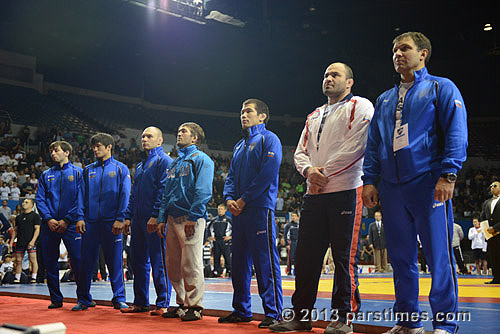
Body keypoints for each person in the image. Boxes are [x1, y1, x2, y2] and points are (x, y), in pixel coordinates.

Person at [361, 32, 468, 334]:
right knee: (400, 258)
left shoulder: (440, 87)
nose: (397, 53)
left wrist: (448, 174)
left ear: (423, 54)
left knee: (438, 257)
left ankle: (445, 324)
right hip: (391, 188)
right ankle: (408, 323)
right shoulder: (384, 99)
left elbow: (457, 132)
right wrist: (370, 180)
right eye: (394, 49)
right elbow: (374, 144)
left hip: (427, 181)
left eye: (405, 48)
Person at [270, 62, 374, 334]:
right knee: (306, 257)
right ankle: (301, 316)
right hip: (314, 194)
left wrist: (321, 173)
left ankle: (343, 317)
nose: (328, 78)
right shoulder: (314, 114)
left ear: (349, 82)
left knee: (343, 258)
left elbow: (357, 146)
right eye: (326, 74)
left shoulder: (361, 106)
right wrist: (308, 171)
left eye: (335, 74)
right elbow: (299, 151)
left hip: (346, 190)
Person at [220, 99, 283, 329]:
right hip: (238, 211)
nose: (243, 115)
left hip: (258, 209)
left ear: (262, 116)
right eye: (241, 111)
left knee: (265, 261)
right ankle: (241, 309)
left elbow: (267, 174)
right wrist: (228, 199)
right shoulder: (239, 145)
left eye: (248, 111)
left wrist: (243, 199)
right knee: (239, 263)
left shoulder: (270, 139)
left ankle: (274, 312)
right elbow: (230, 176)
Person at [157, 122, 214, 321]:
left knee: (191, 263)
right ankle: (181, 303)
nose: (179, 134)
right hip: (172, 218)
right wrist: (162, 218)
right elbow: (166, 194)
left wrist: (194, 215)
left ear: (195, 138)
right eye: (178, 130)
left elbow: (203, 190)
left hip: (191, 218)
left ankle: (195, 306)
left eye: (184, 131)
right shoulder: (174, 163)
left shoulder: (202, 159)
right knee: (173, 265)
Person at [74, 133, 131, 311]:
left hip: (111, 222)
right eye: (93, 147)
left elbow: (125, 195)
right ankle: (83, 299)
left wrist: (120, 218)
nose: (95, 149)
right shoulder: (88, 170)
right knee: (86, 262)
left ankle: (119, 298)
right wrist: (80, 217)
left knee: (114, 261)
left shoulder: (121, 169)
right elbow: (81, 195)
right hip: (90, 222)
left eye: (98, 146)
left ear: (109, 147)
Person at [121, 126, 173, 315]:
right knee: (137, 262)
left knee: (159, 261)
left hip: (153, 219)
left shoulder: (165, 161)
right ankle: (141, 302)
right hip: (137, 220)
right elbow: (134, 194)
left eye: (149, 136)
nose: (144, 139)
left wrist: (156, 215)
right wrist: (127, 216)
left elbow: (164, 190)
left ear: (160, 141)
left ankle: (162, 303)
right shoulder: (142, 165)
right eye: (143, 136)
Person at [35, 141, 85, 309]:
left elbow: (81, 198)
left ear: (67, 152)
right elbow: (40, 199)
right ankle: (56, 298)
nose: (52, 154)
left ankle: (84, 298)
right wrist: (49, 218)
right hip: (49, 225)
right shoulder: (45, 175)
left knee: (77, 261)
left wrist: (67, 219)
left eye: (56, 150)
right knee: (50, 262)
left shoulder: (79, 173)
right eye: (51, 151)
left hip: (70, 225)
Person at [9, 198, 41, 283]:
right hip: (20, 241)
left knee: (33, 259)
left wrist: (33, 240)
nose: (24, 203)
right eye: (24, 202)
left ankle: (34, 277)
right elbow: (15, 230)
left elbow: (37, 229)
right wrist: (11, 242)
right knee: (18, 260)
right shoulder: (19, 217)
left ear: (31, 205)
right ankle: (17, 277)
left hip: (30, 241)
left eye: (26, 202)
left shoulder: (35, 216)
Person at [481, 181, 500, 284]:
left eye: (495, 186)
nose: (492, 187)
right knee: (493, 256)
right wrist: (487, 230)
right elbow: (482, 217)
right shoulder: (486, 202)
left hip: (498, 231)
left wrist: (495, 228)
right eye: (491, 186)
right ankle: (496, 278)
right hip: (491, 235)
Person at [207, 204, 232, 278]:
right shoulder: (214, 220)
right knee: (216, 257)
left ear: (225, 210)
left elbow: (236, 229)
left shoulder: (228, 219)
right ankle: (216, 271)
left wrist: (230, 237)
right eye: (219, 209)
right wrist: (210, 237)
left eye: (221, 209)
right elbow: (209, 229)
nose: (220, 210)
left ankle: (229, 271)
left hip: (225, 240)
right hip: (216, 241)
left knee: (227, 257)